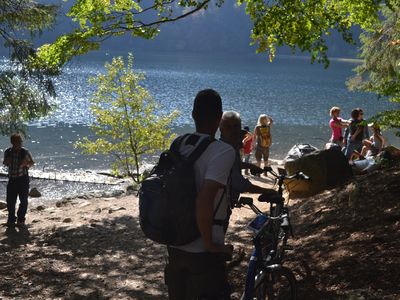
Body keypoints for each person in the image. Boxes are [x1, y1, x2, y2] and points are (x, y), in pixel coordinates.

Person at [164, 89, 236, 300]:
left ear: (193, 114)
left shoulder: (179, 143)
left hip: (175, 240)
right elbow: (205, 198)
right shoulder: (223, 151)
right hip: (202, 248)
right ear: (219, 117)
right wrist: (211, 244)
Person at [219, 111, 277, 213]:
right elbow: (241, 185)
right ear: (221, 128)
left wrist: (250, 166)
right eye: (229, 127)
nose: (234, 131)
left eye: (236, 126)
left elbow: (235, 165)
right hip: (219, 207)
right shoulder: (227, 152)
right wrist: (267, 191)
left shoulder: (223, 147)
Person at [3, 133, 34, 226]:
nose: (20, 144)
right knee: (10, 201)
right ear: (13, 143)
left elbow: (31, 162)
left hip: (23, 179)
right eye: (18, 142)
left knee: (23, 200)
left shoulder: (25, 152)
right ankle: (11, 219)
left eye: (20, 142)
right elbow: (5, 162)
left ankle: (21, 220)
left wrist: (26, 164)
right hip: (12, 179)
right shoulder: (8, 152)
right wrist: (6, 161)